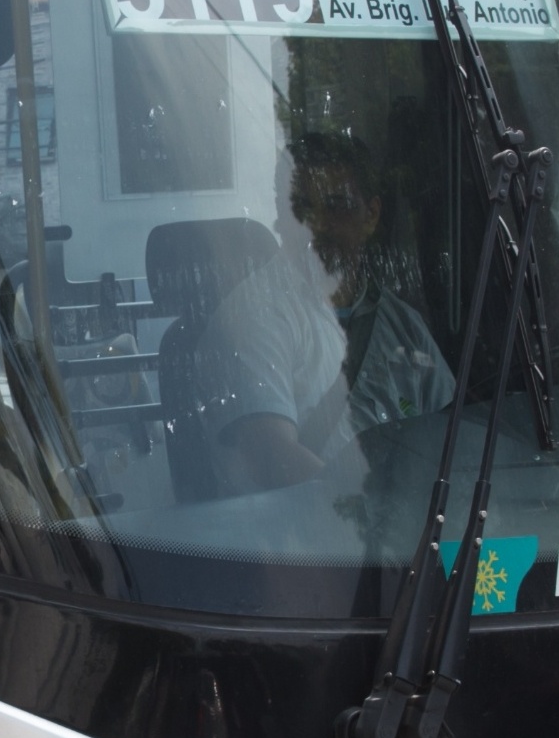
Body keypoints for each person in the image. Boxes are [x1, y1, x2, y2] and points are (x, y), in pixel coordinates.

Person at [194, 133, 455, 496]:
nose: (317, 225)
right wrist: (376, 515)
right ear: (280, 216)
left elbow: (454, 442)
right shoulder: (252, 315)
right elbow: (271, 458)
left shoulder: (403, 326)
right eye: (301, 208)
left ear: (372, 215)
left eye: (337, 205)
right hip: (298, 544)